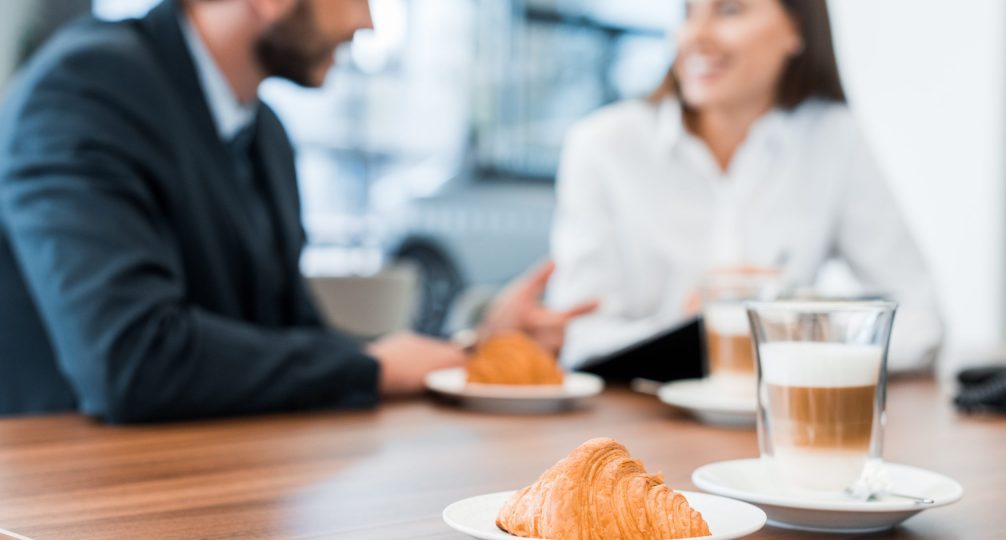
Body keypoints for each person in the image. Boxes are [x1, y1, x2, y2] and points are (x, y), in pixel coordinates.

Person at [0, 0, 595, 422]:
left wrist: (477, 349)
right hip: (71, 494)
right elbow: (130, 362)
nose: (366, 20)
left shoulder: (265, 135)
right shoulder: (85, 89)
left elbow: (292, 343)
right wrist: (370, 369)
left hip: (215, 482)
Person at [548, 0, 943, 374]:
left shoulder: (834, 137)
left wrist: (796, 329)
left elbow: (920, 321)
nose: (694, 36)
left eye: (729, 10)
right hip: (639, 419)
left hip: (786, 417)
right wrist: (686, 333)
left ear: (797, 29)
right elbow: (579, 338)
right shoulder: (602, 145)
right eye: (689, 11)